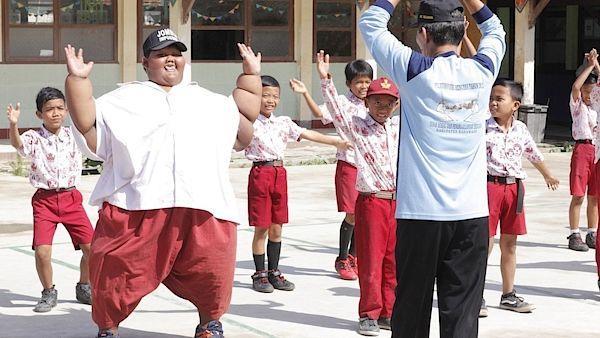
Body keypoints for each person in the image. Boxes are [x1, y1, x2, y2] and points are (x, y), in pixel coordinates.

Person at [64, 28, 262, 338]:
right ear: (146, 62)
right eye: (161, 53)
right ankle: (108, 329)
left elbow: (244, 124)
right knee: (114, 271)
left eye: (176, 52)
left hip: (202, 204)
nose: (170, 58)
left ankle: (209, 323)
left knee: (211, 270)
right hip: (137, 204)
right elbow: (88, 128)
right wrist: (77, 81)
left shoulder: (209, 102)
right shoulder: (121, 100)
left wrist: (251, 74)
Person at [359, 0, 506, 337]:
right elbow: (496, 30)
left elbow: (371, 23)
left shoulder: (412, 69)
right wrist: (473, 2)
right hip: (471, 215)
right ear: (463, 30)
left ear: (422, 34)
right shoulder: (482, 70)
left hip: (420, 215)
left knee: (410, 309)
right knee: (463, 315)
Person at [246, 75, 351, 293]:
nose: (270, 100)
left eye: (275, 96)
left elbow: (308, 134)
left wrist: (336, 141)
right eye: (265, 96)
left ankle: (274, 272)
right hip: (260, 173)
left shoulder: (282, 122)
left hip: (279, 174)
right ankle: (259, 274)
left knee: (277, 227)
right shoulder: (249, 124)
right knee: (262, 227)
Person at [321, 66, 401, 335]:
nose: (383, 107)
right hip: (371, 201)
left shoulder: (399, 128)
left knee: (393, 260)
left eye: (389, 102)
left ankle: (388, 312)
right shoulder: (357, 126)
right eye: (377, 101)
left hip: (398, 202)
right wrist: (326, 81)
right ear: (366, 102)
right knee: (371, 260)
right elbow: (337, 113)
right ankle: (369, 313)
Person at [6, 87, 94, 313]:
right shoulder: (34, 138)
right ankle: (48, 291)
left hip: (71, 199)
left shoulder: (75, 135)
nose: (55, 113)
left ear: (66, 110)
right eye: (49, 110)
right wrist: (14, 124)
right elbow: (18, 145)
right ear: (39, 114)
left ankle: (84, 286)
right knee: (42, 252)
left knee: (92, 249)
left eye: (59, 108)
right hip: (44, 202)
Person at [479, 79, 559, 317]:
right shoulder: (482, 127)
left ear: (515, 105)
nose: (493, 103)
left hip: (514, 189)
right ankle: (475, 295)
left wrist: (548, 175)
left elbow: (533, 154)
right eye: (492, 98)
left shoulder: (521, 129)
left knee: (510, 244)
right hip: (488, 187)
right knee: (484, 244)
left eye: (499, 99)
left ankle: (508, 294)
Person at [289, 57, 373, 280]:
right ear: (348, 84)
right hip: (349, 164)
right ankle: (343, 258)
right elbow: (322, 112)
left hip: (369, 166)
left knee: (364, 213)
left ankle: (356, 256)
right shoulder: (342, 103)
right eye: (358, 82)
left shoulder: (374, 103)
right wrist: (316, 84)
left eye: (367, 82)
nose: (363, 86)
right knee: (352, 213)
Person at [567, 49, 600, 252]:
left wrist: (596, 64)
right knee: (578, 195)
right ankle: (574, 233)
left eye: (592, 92)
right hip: (582, 148)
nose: (588, 96)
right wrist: (588, 66)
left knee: (594, 196)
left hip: (596, 150)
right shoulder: (577, 105)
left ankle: (593, 232)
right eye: (586, 92)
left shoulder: (596, 106)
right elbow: (576, 87)